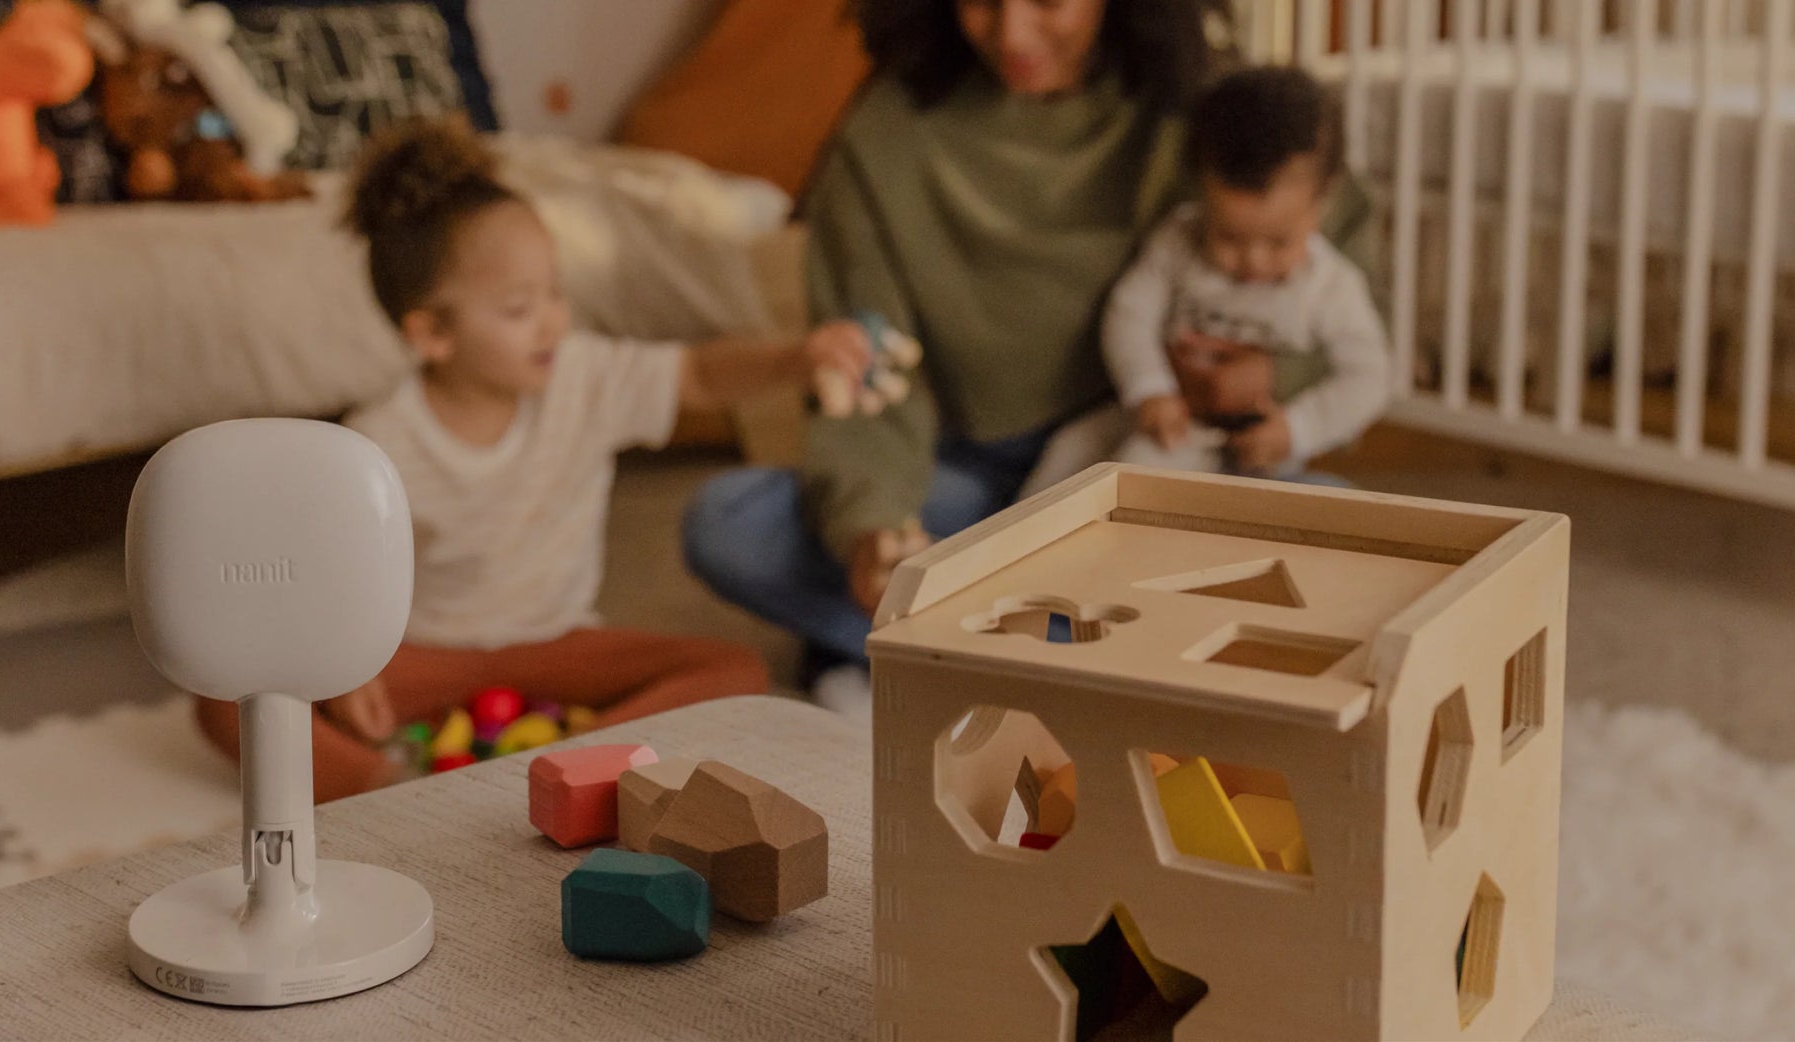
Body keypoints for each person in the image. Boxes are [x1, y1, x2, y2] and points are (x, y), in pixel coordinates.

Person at [683, 0, 1367, 711]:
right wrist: (873, 528)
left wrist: (1276, 377)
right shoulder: (887, 134)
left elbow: (1341, 268)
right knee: (729, 522)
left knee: (1351, 544)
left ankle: (957, 654)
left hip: (1158, 463)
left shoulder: (1201, 105)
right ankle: (1096, 664)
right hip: (974, 481)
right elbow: (869, 368)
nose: (1009, 34)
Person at [199, 117, 866, 802]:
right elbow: (315, 574)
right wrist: (346, 669)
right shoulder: (379, 442)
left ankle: (555, 768)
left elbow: (697, 375)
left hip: (559, 651)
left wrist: (794, 358)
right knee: (227, 702)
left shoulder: (582, 377)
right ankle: (398, 792)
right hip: (427, 663)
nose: (552, 322)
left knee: (737, 673)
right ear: (431, 333)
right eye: (520, 308)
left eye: (555, 292)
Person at [1021, 66, 1390, 494]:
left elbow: (1370, 377)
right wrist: (1148, 388)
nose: (1253, 260)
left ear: (1322, 202)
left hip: (1252, 443)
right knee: (1069, 450)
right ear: (1201, 191)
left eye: (1278, 242)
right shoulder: (1179, 241)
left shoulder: (1330, 286)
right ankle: (1009, 547)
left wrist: (1296, 430)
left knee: (1137, 477)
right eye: (1229, 237)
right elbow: (1130, 312)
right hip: (1165, 410)